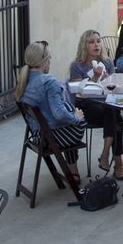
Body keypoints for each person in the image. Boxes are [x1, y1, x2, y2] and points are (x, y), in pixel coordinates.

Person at [13, 40, 87, 185]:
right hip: (50, 138)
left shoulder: (24, 80)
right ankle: (73, 172)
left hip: (37, 136)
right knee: (77, 121)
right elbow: (59, 114)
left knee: (69, 119)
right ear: (44, 60)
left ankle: (73, 172)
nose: (50, 60)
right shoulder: (48, 82)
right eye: (49, 57)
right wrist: (76, 117)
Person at [69, 29, 123, 180]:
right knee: (116, 117)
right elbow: (79, 93)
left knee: (113, 112)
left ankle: (106, 153)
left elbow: (113, 87)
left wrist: (109, 79)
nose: (96, 45)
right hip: (88, 107)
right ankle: (118, 163)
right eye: (91, 42)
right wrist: (95, 78)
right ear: (84, 46)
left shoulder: (107, 62)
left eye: (98, 41)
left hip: (107, 105)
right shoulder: (77, 66)